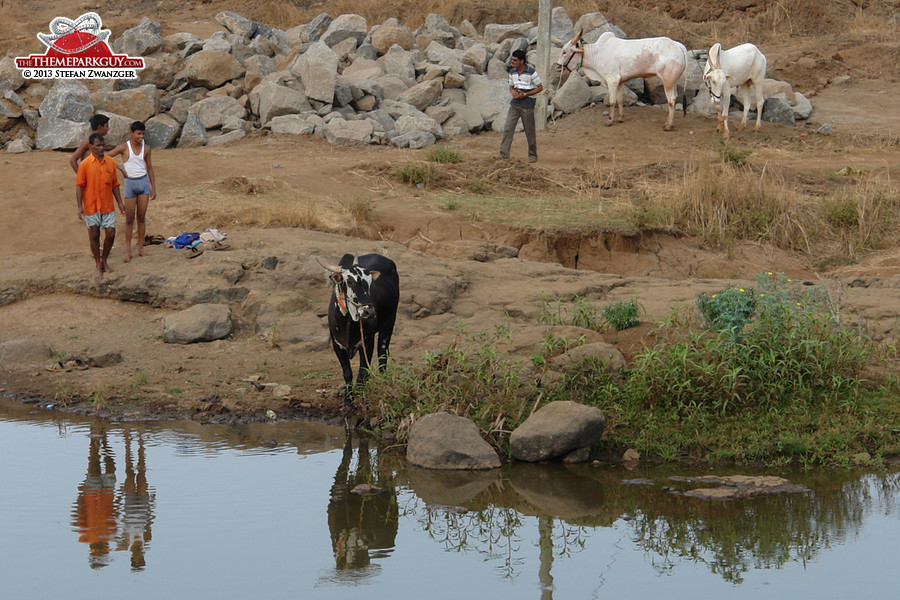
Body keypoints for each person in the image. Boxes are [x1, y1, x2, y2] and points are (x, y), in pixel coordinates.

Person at [76, 133, 126, 280]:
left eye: (103, 145)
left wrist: (120, 203)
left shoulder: (110, 162)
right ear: (90, 146)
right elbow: (79, 186)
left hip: (107, 205)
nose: (101, 148)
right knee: (94, 233)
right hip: (91, 205)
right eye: (97, 145)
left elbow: (115, 185)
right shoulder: (85, 165)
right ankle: (98, 263)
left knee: (110, 233)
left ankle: (104, 260)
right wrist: (80, 206)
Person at [107, 121, 156, 262]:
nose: (141, 136)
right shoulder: (124, 147)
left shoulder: (146, 149)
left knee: (141, 217)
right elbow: (106, 157)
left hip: (143, 183)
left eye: (143, 134)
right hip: (130, 184)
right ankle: (128, 250)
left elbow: (150, 168)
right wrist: (121, 168)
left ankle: (140, 247)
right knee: (129, 219)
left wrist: (153, 187)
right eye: (138, 133)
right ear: (131, 133)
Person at [499, 49, 544, 163]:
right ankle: (503, 155)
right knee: (508, 129)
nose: (512, 62)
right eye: (512, 59)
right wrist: (513, 92)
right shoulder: (512, 72)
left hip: (527, 105)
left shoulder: (531, 72)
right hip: (515, 104)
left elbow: (540, 87)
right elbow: (511, 86)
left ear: (522, 61)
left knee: (529, 131)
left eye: (515, 60)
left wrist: (526, 94)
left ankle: (532, 155)